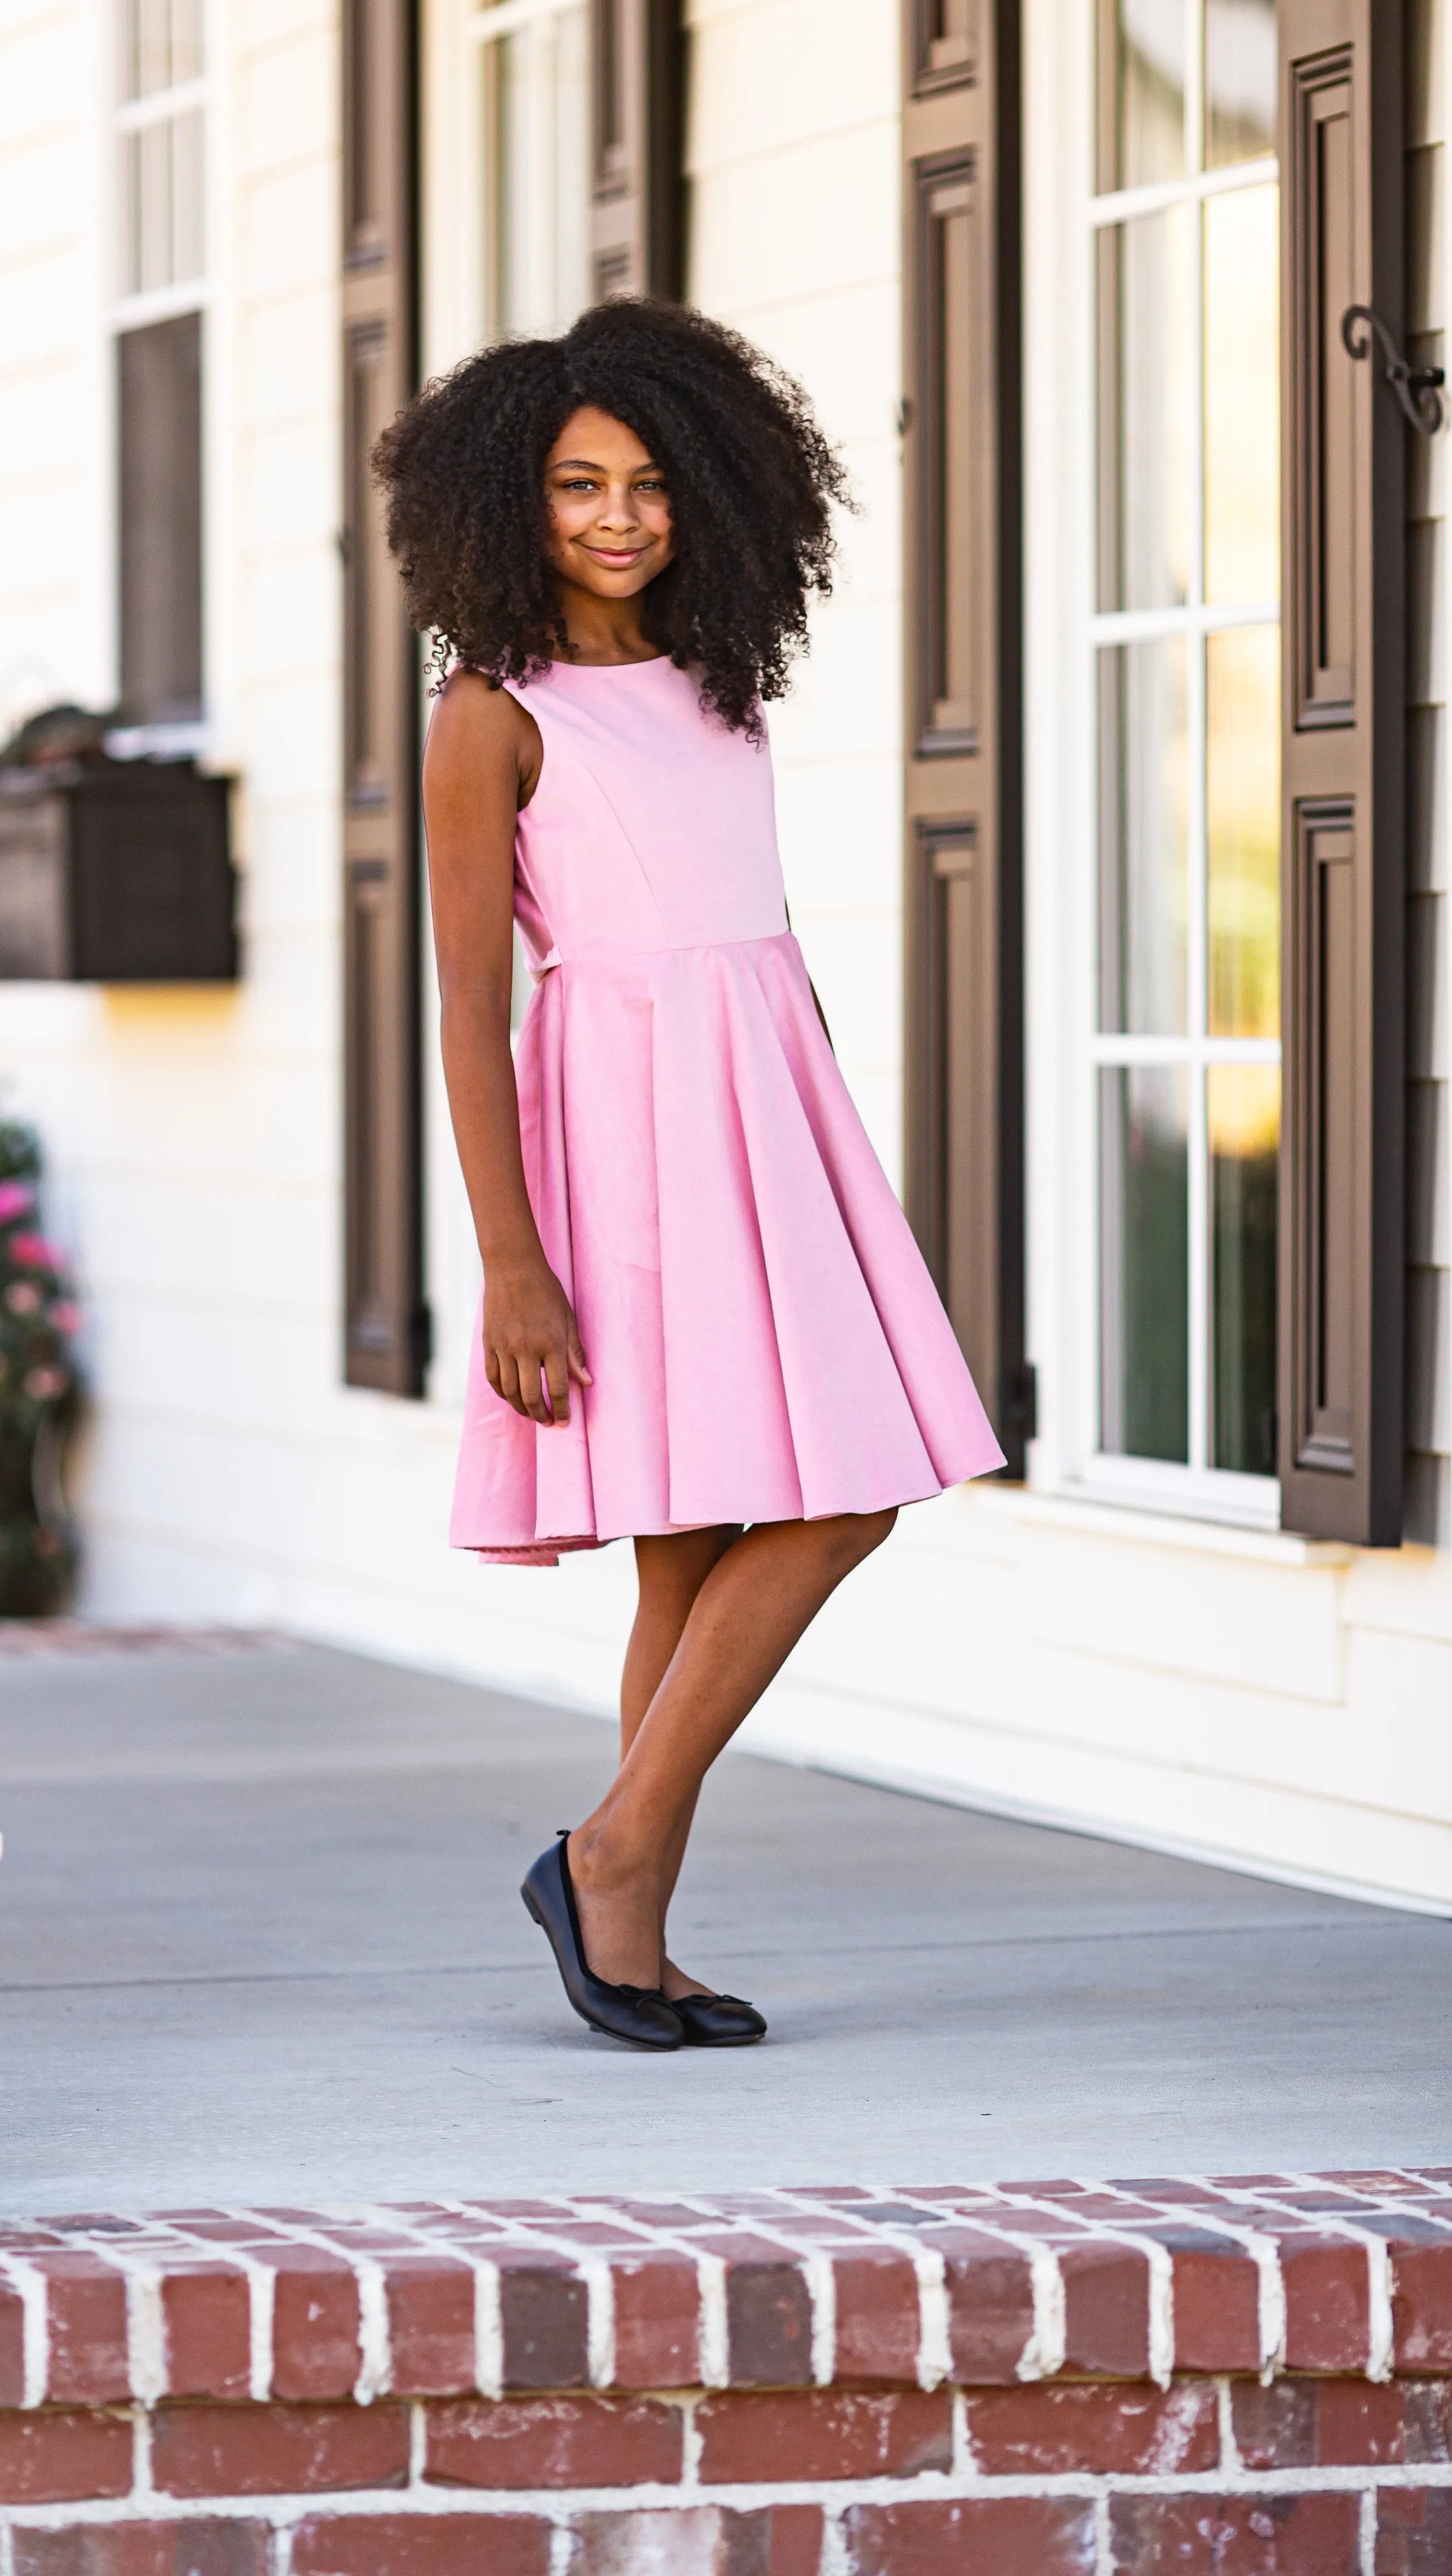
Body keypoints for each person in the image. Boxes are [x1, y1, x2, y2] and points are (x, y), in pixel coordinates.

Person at [375, 298, 1004, 2055]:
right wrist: (509, 1261)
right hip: (626, 1131)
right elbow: (471, 1005)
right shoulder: (491, 715)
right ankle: (617, 1861)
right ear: (510, 504)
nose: (620, 519)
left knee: (722, 1537)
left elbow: (745, 934)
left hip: (764, 1106)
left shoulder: (722, 683)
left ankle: (624, 1902)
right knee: (820, 1498)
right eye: (578, 486)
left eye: (651, 483)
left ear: (707, 492)